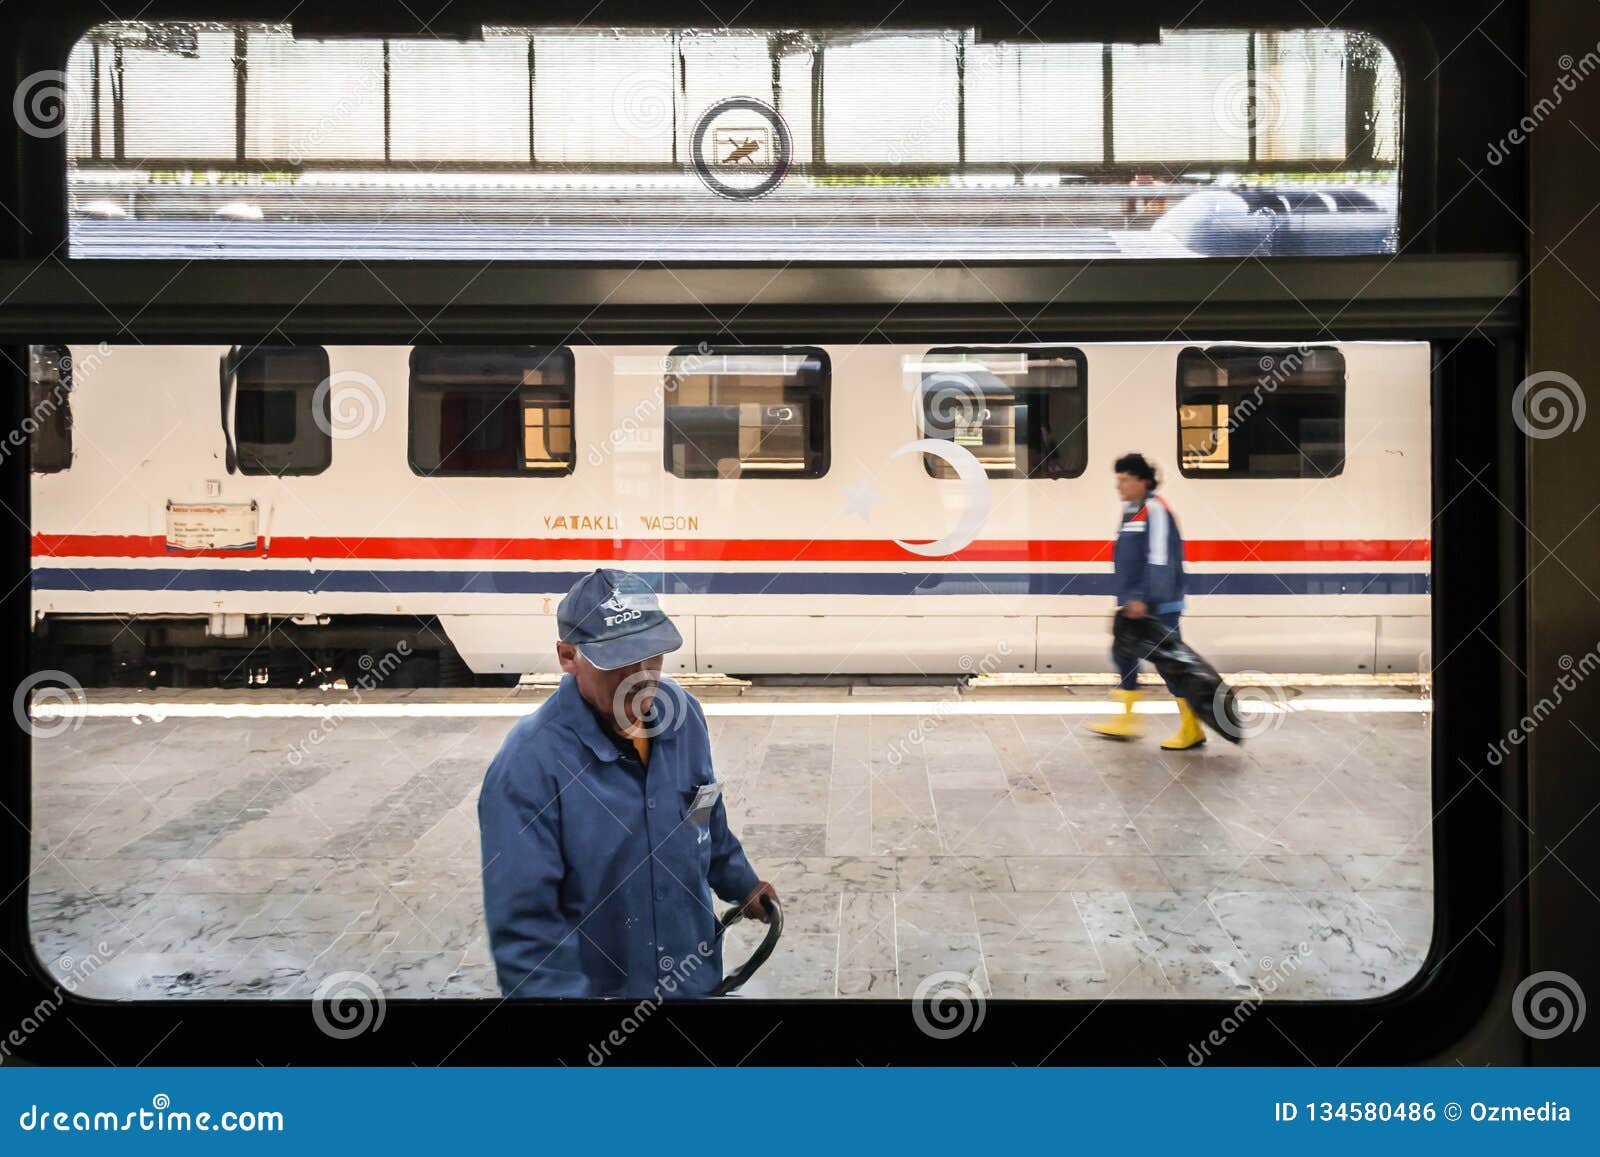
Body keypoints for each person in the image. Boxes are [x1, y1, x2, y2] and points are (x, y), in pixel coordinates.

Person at [478, 568, 778, 998]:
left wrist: (741, 881)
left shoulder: (684, 716)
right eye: (618, 662)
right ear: (567, 656)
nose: (640, 677)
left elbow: (704, 819)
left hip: (695, 984)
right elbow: (528, 935)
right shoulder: (527, 766)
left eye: (652, 656)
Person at [1088, 452, 1207, 750]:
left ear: (1143, 481)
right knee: (1123, 655)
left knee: (1170, 664)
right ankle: (1127, 718)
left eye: (1125, 480)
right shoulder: (1132, 510)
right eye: (1118, 480)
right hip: (1134, 603)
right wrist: (1127, 599)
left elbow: (1160, 560)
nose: (1119, 486)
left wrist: (1143, 599)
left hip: (1157, 604)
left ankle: (1192, 728)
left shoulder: (1155, 510)